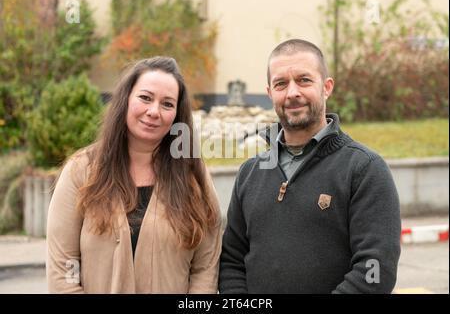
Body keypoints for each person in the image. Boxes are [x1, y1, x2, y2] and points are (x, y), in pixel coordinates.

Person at [219, 39, 401, 294]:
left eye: (304, 80)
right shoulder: (250, 173)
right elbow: (232, 261)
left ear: (327, 87)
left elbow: (376, 269)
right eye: (281, 83)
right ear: (270, 93)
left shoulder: (364, 169)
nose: (292, 92)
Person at [47, 57, 222, 293]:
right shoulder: (82, 171)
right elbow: (63, 269)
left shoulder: (193, 174)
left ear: (177, 116)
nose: (154, 111)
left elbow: (206, 267)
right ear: (126, 100)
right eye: (145, 98)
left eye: (167, 104)